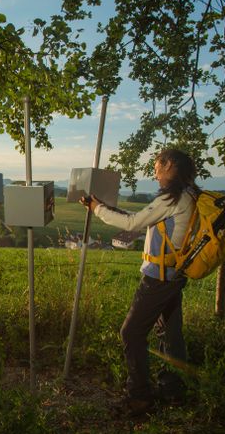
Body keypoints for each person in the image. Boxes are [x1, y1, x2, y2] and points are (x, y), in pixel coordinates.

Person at [82, 148, 199, 416]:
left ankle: (139, 397)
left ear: (169, 165)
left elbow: (133, 223)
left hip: (158, 278)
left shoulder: (172, 198)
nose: (155, 171)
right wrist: (106, 207)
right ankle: (172, 392)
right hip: (175, 274)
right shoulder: (189, 194)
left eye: (157, 165)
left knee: (131, 333)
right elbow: (146, 219)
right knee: (169, 334)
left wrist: (97, 208)